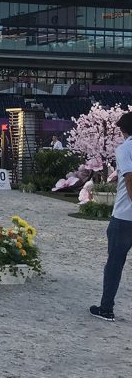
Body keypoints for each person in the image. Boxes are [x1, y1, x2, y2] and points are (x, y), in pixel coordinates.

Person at [91, 112, 132, 321]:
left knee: (115, 263)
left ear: (124, 130)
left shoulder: (125, 148)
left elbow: (129, 178)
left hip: (125, 216)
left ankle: (106, 308)